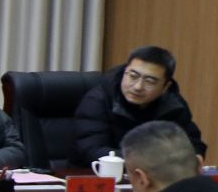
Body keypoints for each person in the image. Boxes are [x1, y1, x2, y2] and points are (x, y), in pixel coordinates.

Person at [73, 46, 207, 167]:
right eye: (133, 76)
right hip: (94, 175)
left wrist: (195, 156)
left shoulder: (173, 104)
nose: (138, 87)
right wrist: (152, 161)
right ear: (124, 72)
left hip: (153, 177)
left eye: (150, 81)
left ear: (165, 86)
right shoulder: (99, 99)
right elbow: (91, 150)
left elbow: (192, 142)